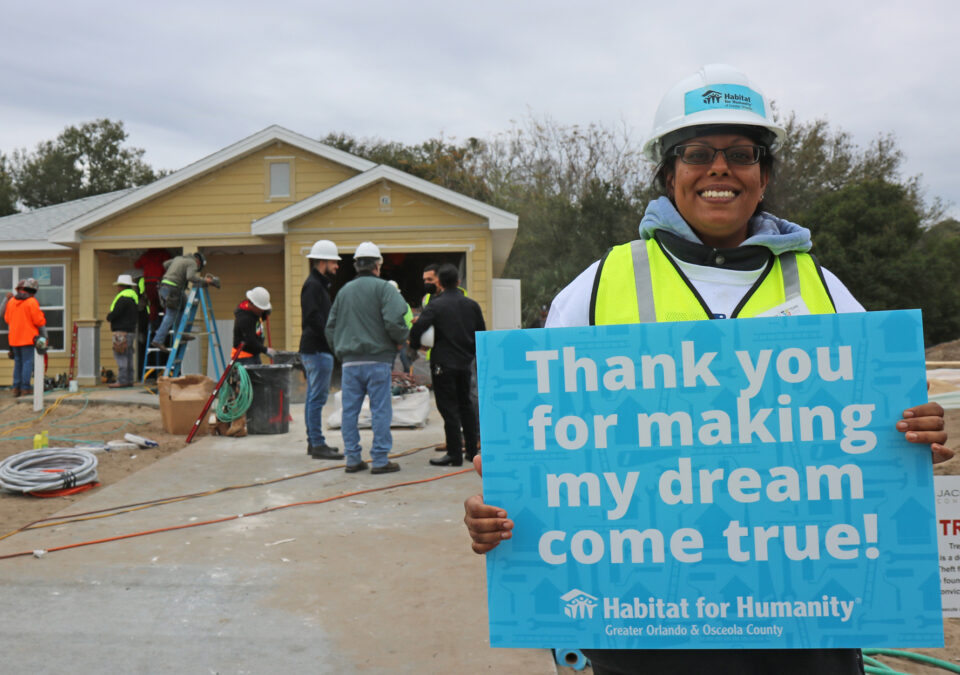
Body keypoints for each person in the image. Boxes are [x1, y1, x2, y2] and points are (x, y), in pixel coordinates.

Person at [463, 64, 952, 675]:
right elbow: (543, 447)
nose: (720, 168)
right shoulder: (595, 289)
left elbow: (883, 435)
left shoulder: (825, 289)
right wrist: (503, 500)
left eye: (741, 153)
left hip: (807, 621)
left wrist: (916, 437)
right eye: (697, 152)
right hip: (647, 627)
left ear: (764, 175)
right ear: (669, 174)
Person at [325, 241, 409, 474]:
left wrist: (341, 350)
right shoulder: (385, 289)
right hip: (378, 361)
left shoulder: (343, 292)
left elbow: (330, 327)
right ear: (377, 265)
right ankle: (380, 460)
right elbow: (394, 321)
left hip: (350, 363)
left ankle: (353, 459)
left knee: (349, 412)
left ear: (356, 265)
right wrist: (401, 338)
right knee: (380, 410)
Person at [409, 263, 485, 467]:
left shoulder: (436, 305)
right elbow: (481, 332)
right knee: (466, 405)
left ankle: (454, 454)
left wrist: (415, 346)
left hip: (443, 364)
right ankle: (471, 451)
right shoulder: (472, 305)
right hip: (465, 363)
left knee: (449, 408)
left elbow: (418, 329)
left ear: (440, 283)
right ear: (458, 282)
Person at [300, 240, 345, 460]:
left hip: (315, 349)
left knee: (313, 398)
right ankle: (317, 443)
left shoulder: (317, 284)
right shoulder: (313, 286)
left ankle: (314, 442)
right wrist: (330, 337)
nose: (337, 266)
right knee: (316, 399)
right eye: (334, 262)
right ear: (323, 261)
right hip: (317, 350)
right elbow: (311, 318)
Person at [150, 252, 215, 351]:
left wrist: (175, 272)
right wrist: (205, 280)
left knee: (183, 307)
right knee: (171, 315)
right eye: (199, 265)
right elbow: (191, 277)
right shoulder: (192, 262)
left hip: (166, 287)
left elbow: (165, 264)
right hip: (173, 288)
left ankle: (181, 334)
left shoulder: (179, 258)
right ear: (199, 261)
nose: (197, 267)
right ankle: (158, 340)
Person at [3, 278, 46, 397]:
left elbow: (7, 319)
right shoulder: (32, 302)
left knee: (18, 362)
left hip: (14, 339)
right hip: (28, 338)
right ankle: (25, 388)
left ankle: (16, 388)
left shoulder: (11, 302)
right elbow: (38, 321)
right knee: (27, 362)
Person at [105, 274, 139, 388]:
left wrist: (109, 317)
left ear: (122, 286)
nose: (117, 288)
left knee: (121, 355)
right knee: (128, 355)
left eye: (119, 285)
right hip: (130, 331)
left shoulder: (123, 299)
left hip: (121, 331)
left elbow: (115, 314)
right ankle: (129, 379)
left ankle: (122, 380)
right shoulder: (133, 298)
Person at [233, 286, 275, 365]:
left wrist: (264, 315)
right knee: (249, 377)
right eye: (261, 308)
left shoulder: (255, 313)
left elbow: (257, 323)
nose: (262, 310)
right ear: (253, 304)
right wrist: (265, 350)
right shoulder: (244, 318)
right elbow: (250, 340)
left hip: (254, 354)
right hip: (244, 357)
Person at [134, 247, 170, 324]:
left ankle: (152, 324)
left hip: (148, 284)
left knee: (153, 304)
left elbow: (136, 265)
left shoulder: (146, 255)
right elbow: (170, 265)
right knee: (166, 304)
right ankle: (166, 324)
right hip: (159, 282)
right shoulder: (164, 254)